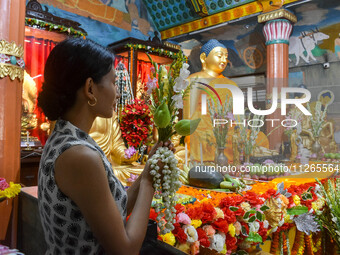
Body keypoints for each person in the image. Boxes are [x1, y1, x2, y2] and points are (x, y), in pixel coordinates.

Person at [37, 38, 173, 254]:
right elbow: (126, 250)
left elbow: (113, 211)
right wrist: (149, 182)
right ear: (90, 89)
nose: (117, 93)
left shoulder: (70, 138)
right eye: (112, 82)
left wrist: (147, 170)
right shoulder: (79, 155)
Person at [185, 39, 269, 163]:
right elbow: (188, 116)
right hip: (204, 128)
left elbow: (238, 116)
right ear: (204, 58)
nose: (224, 60)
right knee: (206, 139)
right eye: (219, 56)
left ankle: (241, 158)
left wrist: (241, 130)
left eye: (226, 56)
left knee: (260, 138)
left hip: (228, 128)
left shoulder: (231, 83)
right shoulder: (194, 80)